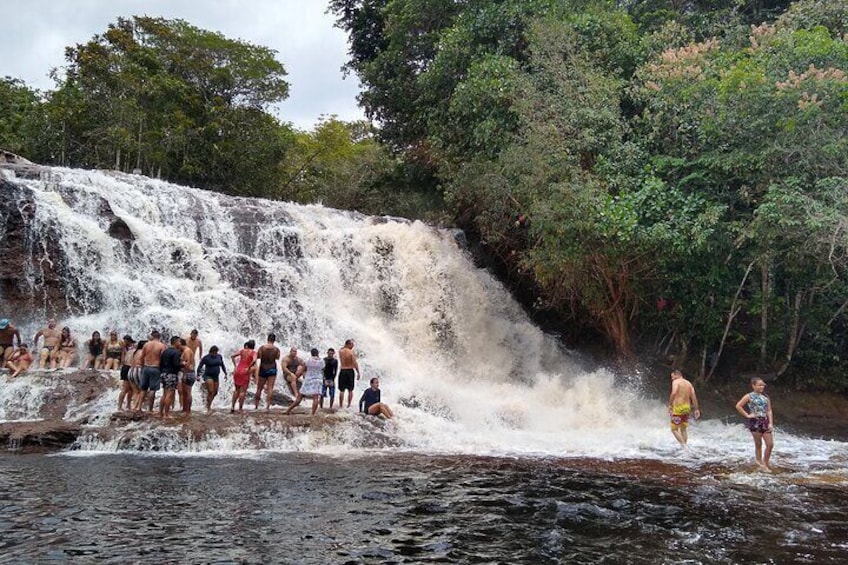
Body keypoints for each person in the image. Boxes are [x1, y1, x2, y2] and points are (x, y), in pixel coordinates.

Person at [735, 377, 775, 472]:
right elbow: (738, 406)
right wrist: (747, 415)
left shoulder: (766, 397)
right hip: (755, 421)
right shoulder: (749, 396)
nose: (762, 387)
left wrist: (771, 423)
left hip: (765, 421)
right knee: (758, 443)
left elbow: (769, 410)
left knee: (770, 444)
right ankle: (759, 461)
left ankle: (765, 463)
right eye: (760, 385)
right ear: (753, 386)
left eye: (763, 385)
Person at [284, 348, 324, 416]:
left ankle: (288, 410)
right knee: (316, 397)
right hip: (318, 380)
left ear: (311, 353)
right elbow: (322, 369)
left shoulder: (308, 360)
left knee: (300, 396)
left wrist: (296, 377)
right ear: (318, 353)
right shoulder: (322, 361)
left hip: (308, 379)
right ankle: (313, 414)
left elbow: (303, 369)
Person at [668, 369, 700, 447]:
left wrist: (670, 405)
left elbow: (674, 392)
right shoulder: (689, 383)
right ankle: (685, 446)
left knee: (674, 429)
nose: (672, 379)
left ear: (677, 375)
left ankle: (684, 447)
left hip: (678, 407)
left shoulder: (676, 382)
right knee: (683, 429)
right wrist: (696, 409)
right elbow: (693, 397)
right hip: (687, 408)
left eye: (672, 377)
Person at [136, 331, 167, 412]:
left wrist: (143, 366)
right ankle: (150, 409)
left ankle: (139, 407)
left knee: (143, 389)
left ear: (152, 336)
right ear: (159, 337)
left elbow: (142, 357)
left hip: (146, 367)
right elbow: (163, 358)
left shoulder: (146, 344)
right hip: (155, 368)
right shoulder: (161, 345)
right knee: (152, 389)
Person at [158, 336, 184, 419]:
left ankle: (160, 413)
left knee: (164, 394)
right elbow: (176, 365)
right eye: (179, 342)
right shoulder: (176, 352)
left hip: (163, 374)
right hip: (171, 374)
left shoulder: (165, 351)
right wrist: (183, 364)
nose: (180, 343)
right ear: (175, 342)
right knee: (169, 394)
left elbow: (160, 363)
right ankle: (166, 414)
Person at [255, 334, 281, 410]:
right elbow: (277, 358)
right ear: (274, 340)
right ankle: (268, 406)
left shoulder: (262, 348)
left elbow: (258, 356)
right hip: (272, 368)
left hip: (263, 368)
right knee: (270, 388)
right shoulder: (276, 349)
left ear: (267, 339)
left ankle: (256, 406)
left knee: (259, 388)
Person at [198, 345, 227, 412]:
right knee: (211, 391)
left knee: (215, 392)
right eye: (214, 353)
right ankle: (208, 407)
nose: (215, 354)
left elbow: (222, 365)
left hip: (216, 377)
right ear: (210, 352)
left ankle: (208, 403)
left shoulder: (219, 356)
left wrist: (225, 373)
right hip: (208, 376)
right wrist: (198, 375)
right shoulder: (206, 358)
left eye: (216, 352)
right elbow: (200, 366)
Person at [230, 340, 256, 413]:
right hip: (245, 371)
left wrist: (235, 366)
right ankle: (240, 408)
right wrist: (249, 367)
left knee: (236, 390)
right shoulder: (253, 353)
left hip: (238, 370)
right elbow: (254, 360)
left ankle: (232, 406)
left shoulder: (242, 351)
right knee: (242, 391)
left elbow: (232, 356)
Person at [338, 339, 360, 408]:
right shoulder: (351, 352)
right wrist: (358, 372)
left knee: (342, 390)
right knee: (350, 390)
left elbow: (342, 347)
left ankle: (341, 405)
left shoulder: (340, 351)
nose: (353, 346)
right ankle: (349, 405)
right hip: (350, 370)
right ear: (348, 344)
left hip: (342, 370)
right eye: (351, 344)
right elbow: (355, 362)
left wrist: (346, 345)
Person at [116, 335, 136, 411]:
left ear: (128, 340)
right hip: (127, 367)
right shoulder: (124, 347)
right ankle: (119, 406)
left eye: (125, 341)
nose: (124, 342)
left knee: (131, 389)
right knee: (125, 388)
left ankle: (128, 405)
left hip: (130, 367)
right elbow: (123, 357)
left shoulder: (134, 346)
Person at [178, 338, 198, 414]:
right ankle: (185, 409)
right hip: (190, 372)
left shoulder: (186, 351)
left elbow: (187, 363)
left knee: (188, 392)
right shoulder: (188, 350)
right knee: (185, 392)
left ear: (180, 344)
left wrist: (184, 374)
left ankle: (188, 410)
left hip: (188, 373)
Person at [126, 339, 146, 412]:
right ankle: (136, 407)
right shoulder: (143, 352)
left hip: (131, 370)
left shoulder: (135, 352)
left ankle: (134, 405)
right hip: (138, 370)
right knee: (142, 390)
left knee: (135, 391)